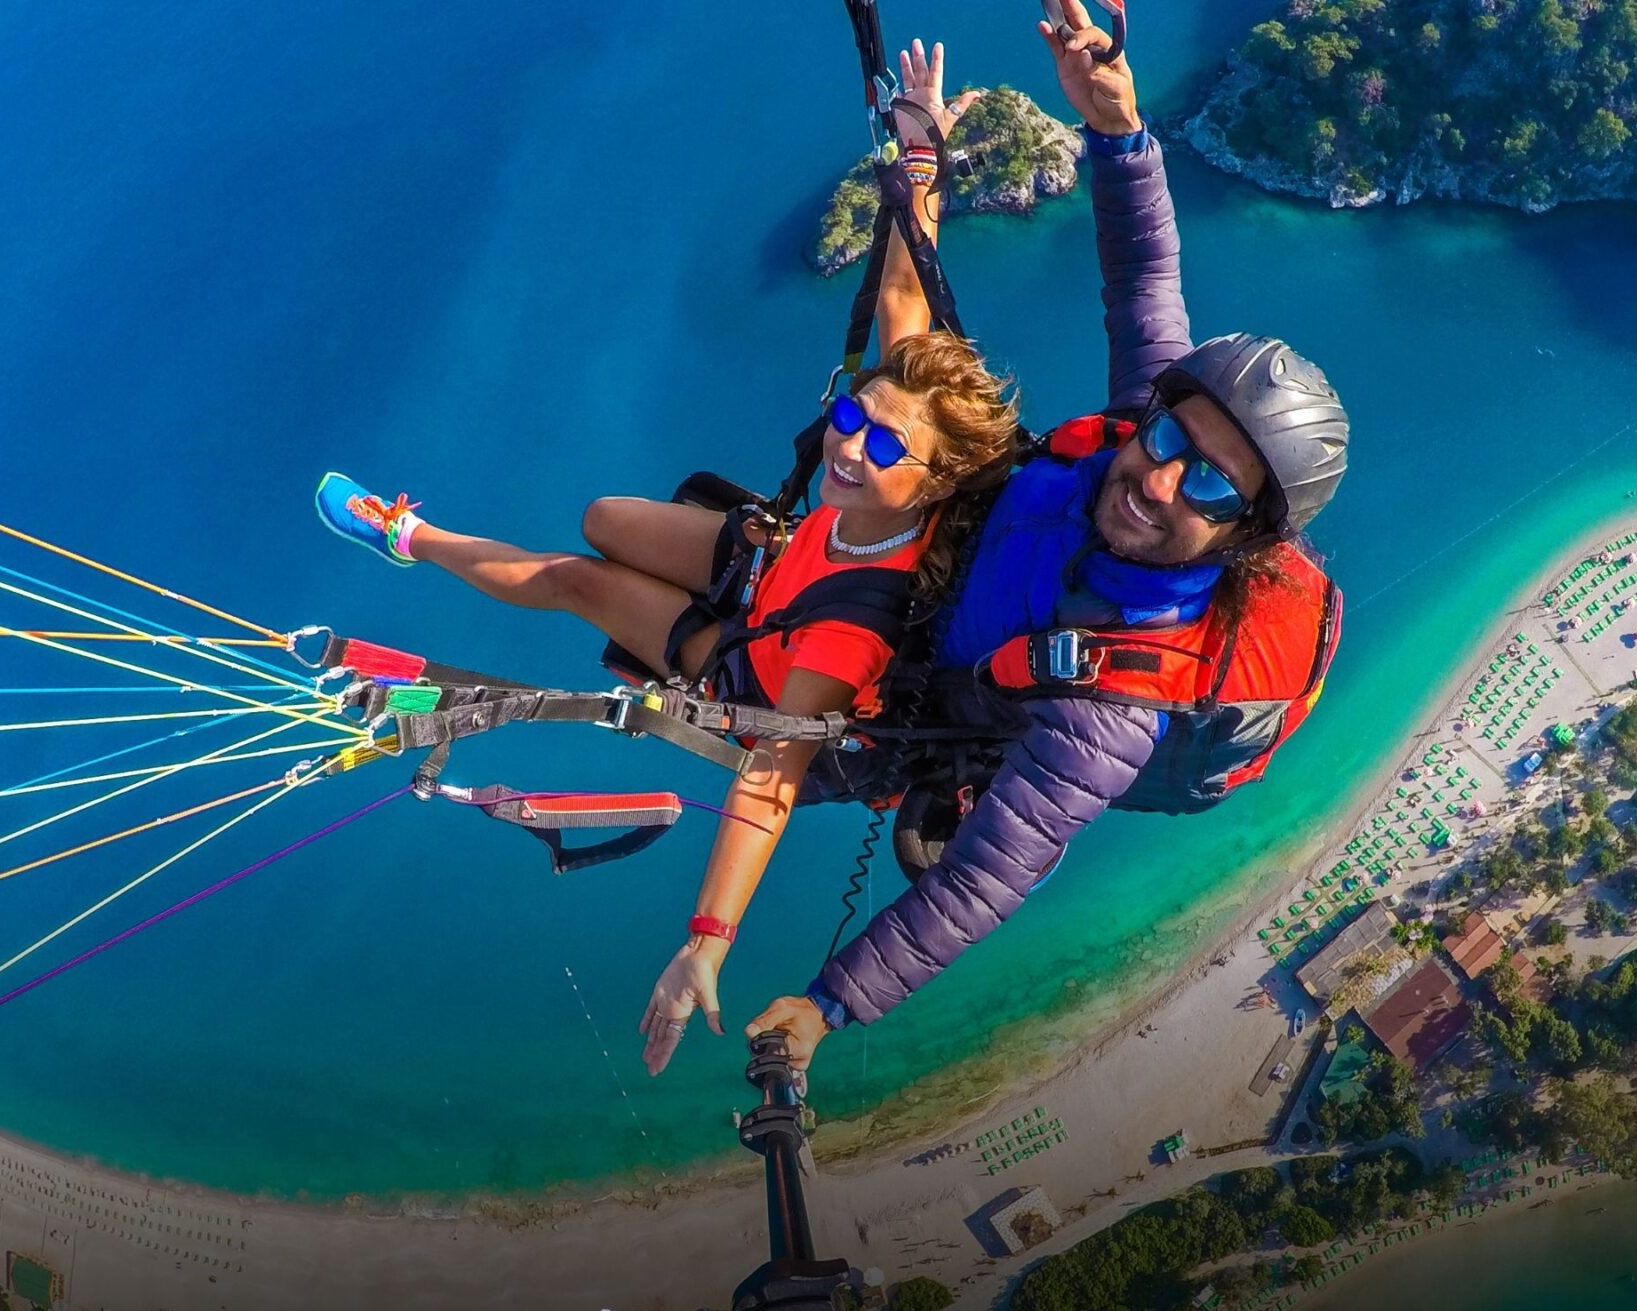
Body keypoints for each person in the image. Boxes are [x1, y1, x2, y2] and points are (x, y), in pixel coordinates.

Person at [315, 44, 1022, 1078]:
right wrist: (919, 156)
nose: (843, 442)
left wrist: (706, 939)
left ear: (935, 478)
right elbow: (908, 297)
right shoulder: (879, 475)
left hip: (758, 664)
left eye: (876, 444)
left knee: (578, 582)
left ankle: (405, 536)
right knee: (604, 513)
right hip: (784, 567)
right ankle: (435, 541)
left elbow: (771, 782)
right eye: (846, 415)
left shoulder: (854, 629)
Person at [718, 0, 1354, 1077]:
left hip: (927, 694)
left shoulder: (1113, 715)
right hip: (958, 564)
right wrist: (1116, 124)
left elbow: (982, 884)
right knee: (875, 396)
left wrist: (829, 1005)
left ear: (1244, 536)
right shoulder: (1130, 441)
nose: (1154, 476)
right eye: (1166, 436)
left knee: (721, 695)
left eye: (1205, 482)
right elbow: (1144, 280)